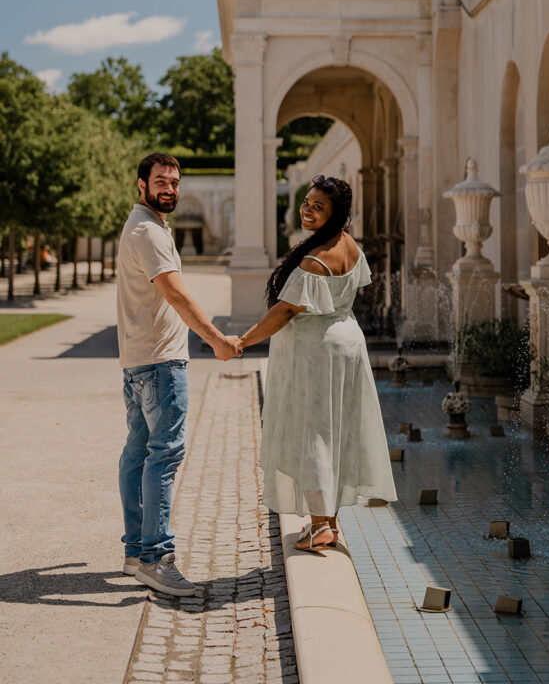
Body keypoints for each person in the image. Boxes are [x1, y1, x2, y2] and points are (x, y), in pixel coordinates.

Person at [229, 175, 396, 550]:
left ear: (336, 214)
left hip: (318, 351)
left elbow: (285, 311)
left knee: (314, 432)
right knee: (335, 429)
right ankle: (328, 521)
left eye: (318, 207)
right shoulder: (349, 245)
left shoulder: (315, 260)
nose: (307, 210)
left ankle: (321, 523)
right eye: (307, 202)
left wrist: (241, 341)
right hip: (345, 341)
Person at [117, 152, 240, 596]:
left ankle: (135, 552)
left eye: (174, 182)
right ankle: (156, 557)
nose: (169, 188)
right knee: (163, 456)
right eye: (160, 182)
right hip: (160, 362)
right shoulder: (149, 231)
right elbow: (176, 293)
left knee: (138, 454)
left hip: (137, 360)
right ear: (141, 184)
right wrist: (217, 339)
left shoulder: (145, 225)